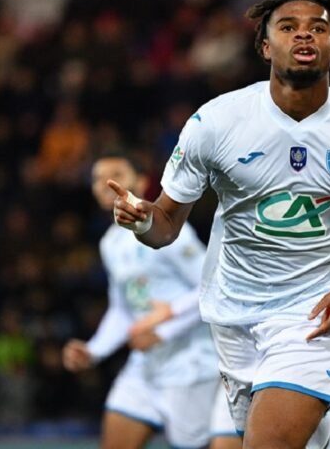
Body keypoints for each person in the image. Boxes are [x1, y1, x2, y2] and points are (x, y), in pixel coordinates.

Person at [108, 0, 330, 449]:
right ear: (264, 46)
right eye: (288, 26)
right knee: (301, 440)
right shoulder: (216, 122)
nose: (304, 33)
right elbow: (166, 225)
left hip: (315, 311)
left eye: (318, 27)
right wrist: (141, 220)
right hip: (233, 312)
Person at [62, 152, 238, 449]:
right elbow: (123, 309)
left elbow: (213, 286)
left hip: (192, 365)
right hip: (144, 368)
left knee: (194, 442)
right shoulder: (110, 244)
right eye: (96, 178)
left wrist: (163, 327)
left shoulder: (171, 235)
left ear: (141, 182)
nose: (105, 183)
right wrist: (94, 351)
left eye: (117, 173)